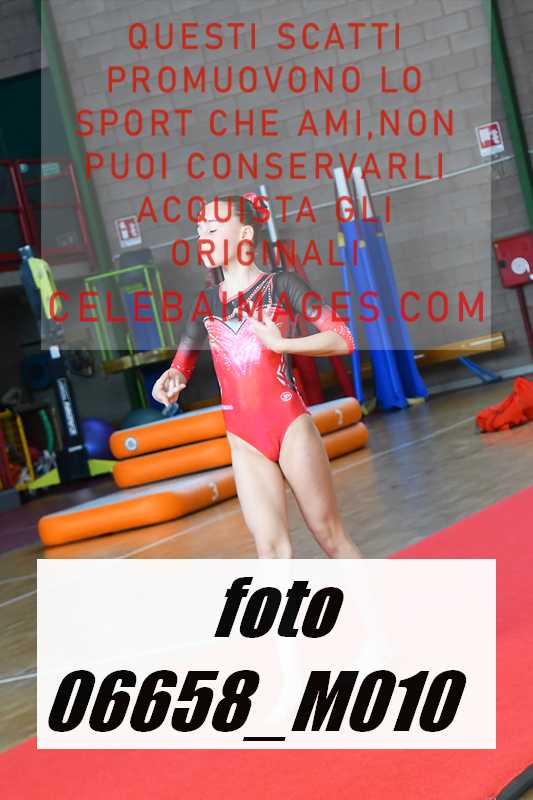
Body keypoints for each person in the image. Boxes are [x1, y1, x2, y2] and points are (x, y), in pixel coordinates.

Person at [153, 194, 362, 560]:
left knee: (330, 536)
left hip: (290, 426)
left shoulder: (281, 286)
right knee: (271, 551)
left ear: (245, 234)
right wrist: (169, 381)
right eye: (199, 231)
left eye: (213, 230)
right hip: (244, 438)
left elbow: (343, 338)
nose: (203, 238)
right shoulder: (206, 303)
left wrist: (282, 343)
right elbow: (180, 368)